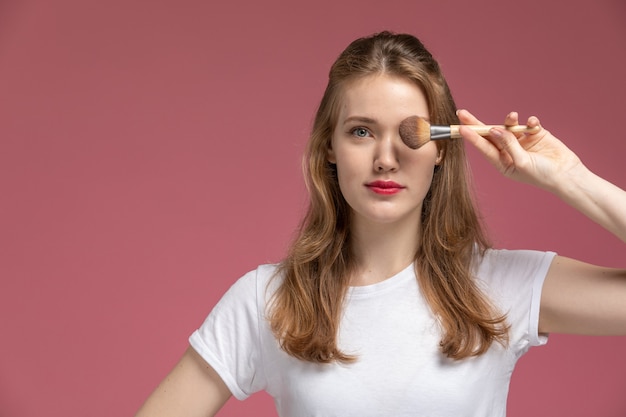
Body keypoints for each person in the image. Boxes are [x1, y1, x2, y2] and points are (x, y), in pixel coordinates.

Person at [135, 31, 626, 416]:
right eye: (361, 131)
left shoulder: (501, 285)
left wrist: (571, 178)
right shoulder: (268, 300)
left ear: (439, 150)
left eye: (407, 134)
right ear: (330, 147)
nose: (386, 159)